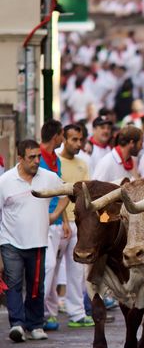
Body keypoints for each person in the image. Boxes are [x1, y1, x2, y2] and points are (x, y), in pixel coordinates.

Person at [0, 140, 67, 342]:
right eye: (31, 157)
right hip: (10, 240)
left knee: (36, 285)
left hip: (38, 240)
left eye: (38, 156)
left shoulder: (48, 178)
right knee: (14, 283)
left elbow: (66, 193)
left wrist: (55, 215)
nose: (37, 161)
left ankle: (35, 324)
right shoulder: (5, 181)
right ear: (20, 158)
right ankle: (18, 324)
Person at [56, 125, 94, 328]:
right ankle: (48, 313)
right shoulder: (56, 161)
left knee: (78, 270)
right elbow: (58, 193)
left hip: (79, 223)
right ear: (63, 138)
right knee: (51, 269)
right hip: (60, 222)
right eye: (74, 139)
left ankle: (77, 313)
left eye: (80, 140)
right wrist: (63, 220)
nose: (78, 144)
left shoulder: (83, 163)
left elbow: (87, 196)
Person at [40, 120, 72, 331]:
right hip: (43, 222)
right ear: (57, 137)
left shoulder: (55, 161)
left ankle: (49, 313)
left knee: (54, 268)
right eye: (63, 135)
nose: (63, 139)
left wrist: (65, 220)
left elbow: (61, 191)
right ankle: (39, 311)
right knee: (49, 266)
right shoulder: (38, 157)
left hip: (57, 221)